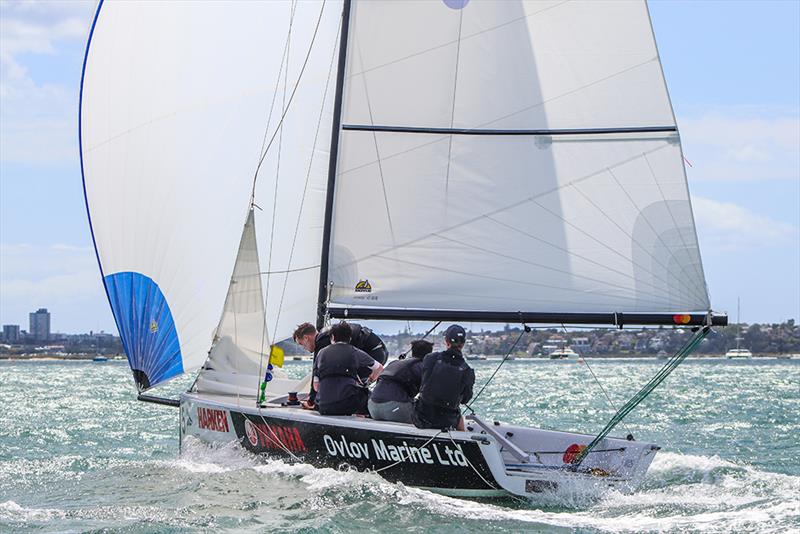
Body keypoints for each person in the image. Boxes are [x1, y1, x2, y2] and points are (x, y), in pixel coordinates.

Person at [293, 321, 387, 409]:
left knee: (349, 381)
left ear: (306, 338)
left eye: (301, 344)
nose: (304, 348)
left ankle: (362, 407)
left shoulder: (322, 343)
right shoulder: (325, 335)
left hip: (373, 351)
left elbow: (317, 373)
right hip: (379, 350)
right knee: (350, 380)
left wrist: (311, 401)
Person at [413, 325, 475, 431]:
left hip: (422, 418)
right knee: (458, 414)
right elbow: (465, 399)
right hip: (447, 422)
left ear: (446, 341)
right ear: (463, 344)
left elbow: (423, 384)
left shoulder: (430, 358)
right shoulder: (467, 370)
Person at [368, 339, 434, 424]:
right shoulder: (421, 367)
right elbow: (431, 391)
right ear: (429, 355)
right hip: (394, 408)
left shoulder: (394, 363)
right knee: (426, 417)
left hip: (372, 407)